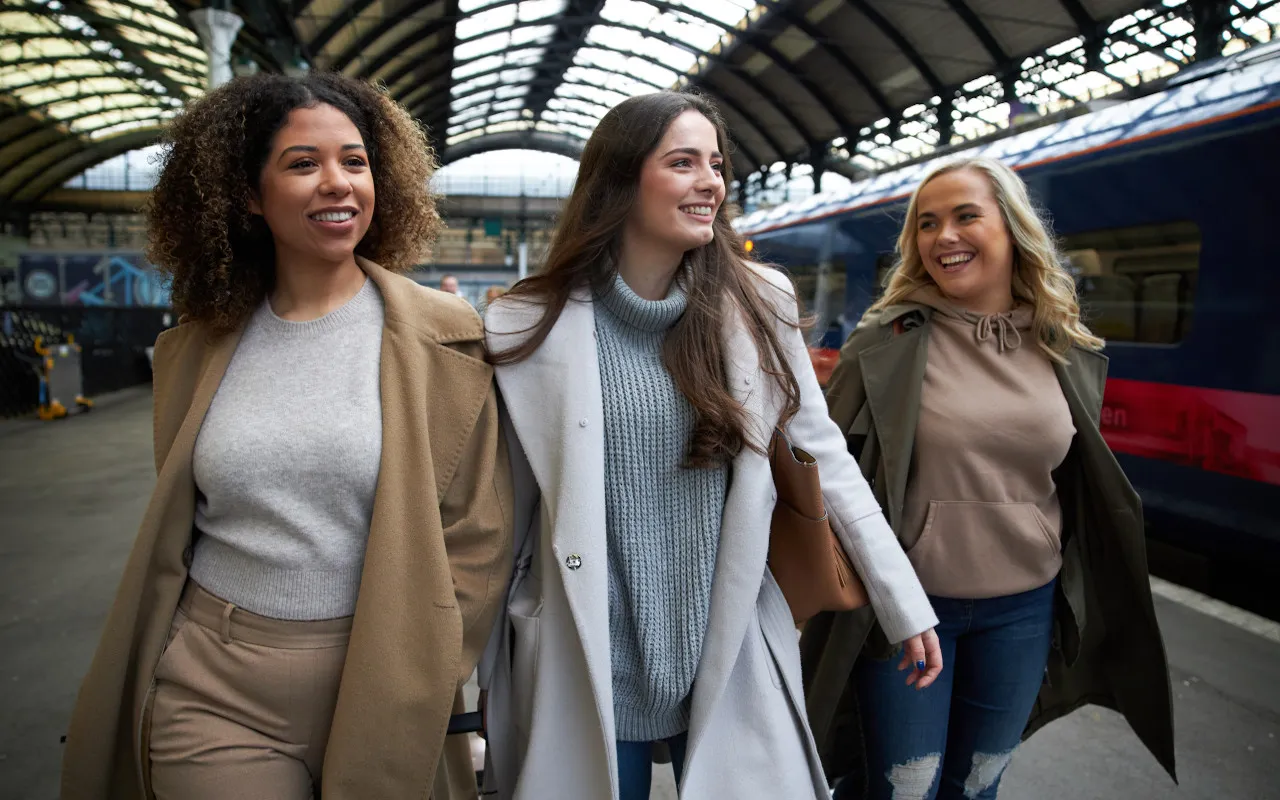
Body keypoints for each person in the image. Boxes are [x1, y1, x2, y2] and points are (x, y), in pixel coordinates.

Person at [60, 72, 512, 800]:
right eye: (303, 164)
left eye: (355, 161)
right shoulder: (196, 348)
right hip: (215, 684)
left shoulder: (448, 338)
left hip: (382, 675)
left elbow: (479, 532)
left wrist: (426, 664)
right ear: (246, 193)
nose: (337, 183)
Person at [479, 91, 941, 800]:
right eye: (683, 162)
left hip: (724, 637)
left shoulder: (759, 302)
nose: (711, 183)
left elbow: (822, 453)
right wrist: (470, 669)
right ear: (622, 180)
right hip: (586, 649)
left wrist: (900, 598)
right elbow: (500, 514)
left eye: (716, 164)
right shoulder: (524, 326)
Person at [800, 157, 1176, 799]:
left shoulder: (1065, 345)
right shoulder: (888, 338)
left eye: (965, 215)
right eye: (927, 223)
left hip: (1024, 609)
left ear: (1011, 228)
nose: (943, 235)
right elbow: (826, 469)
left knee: (977, 785)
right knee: (902, 788)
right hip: (910, 609)